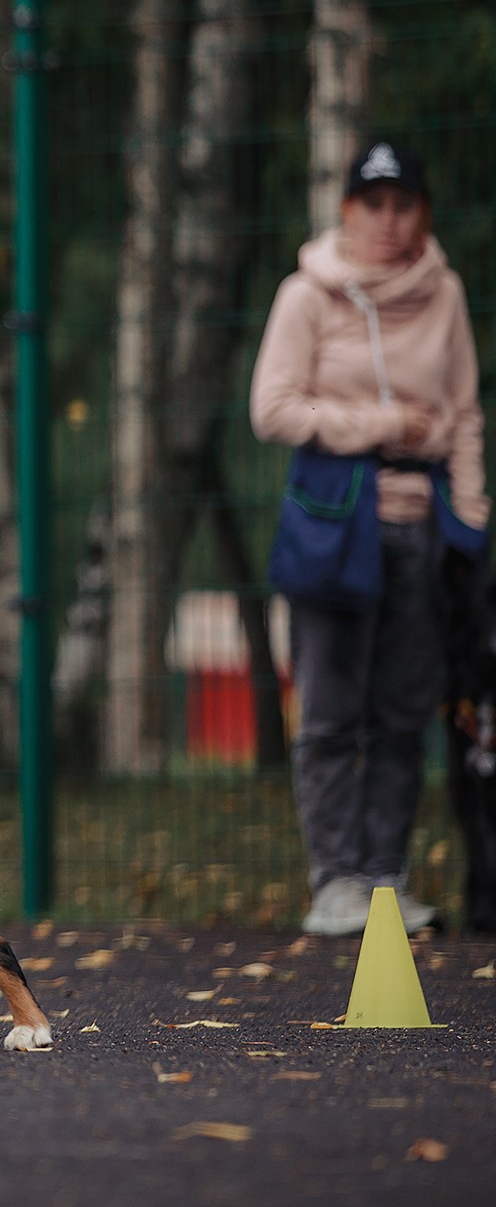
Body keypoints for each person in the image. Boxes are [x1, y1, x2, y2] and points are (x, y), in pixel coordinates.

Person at [250, 140, 488, 935]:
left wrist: (475, 518)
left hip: (423, 527)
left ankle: (385, 882)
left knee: (402, 710)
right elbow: (273, 409)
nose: (388, 220)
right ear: (347, 211)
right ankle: (334, 883)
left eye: (403, 204)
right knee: (329, 711)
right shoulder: (306, 295)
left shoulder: (444, 293)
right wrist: (382, 423)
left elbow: (464, 410)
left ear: (421, 212)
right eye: (372, 204)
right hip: (335, 528)